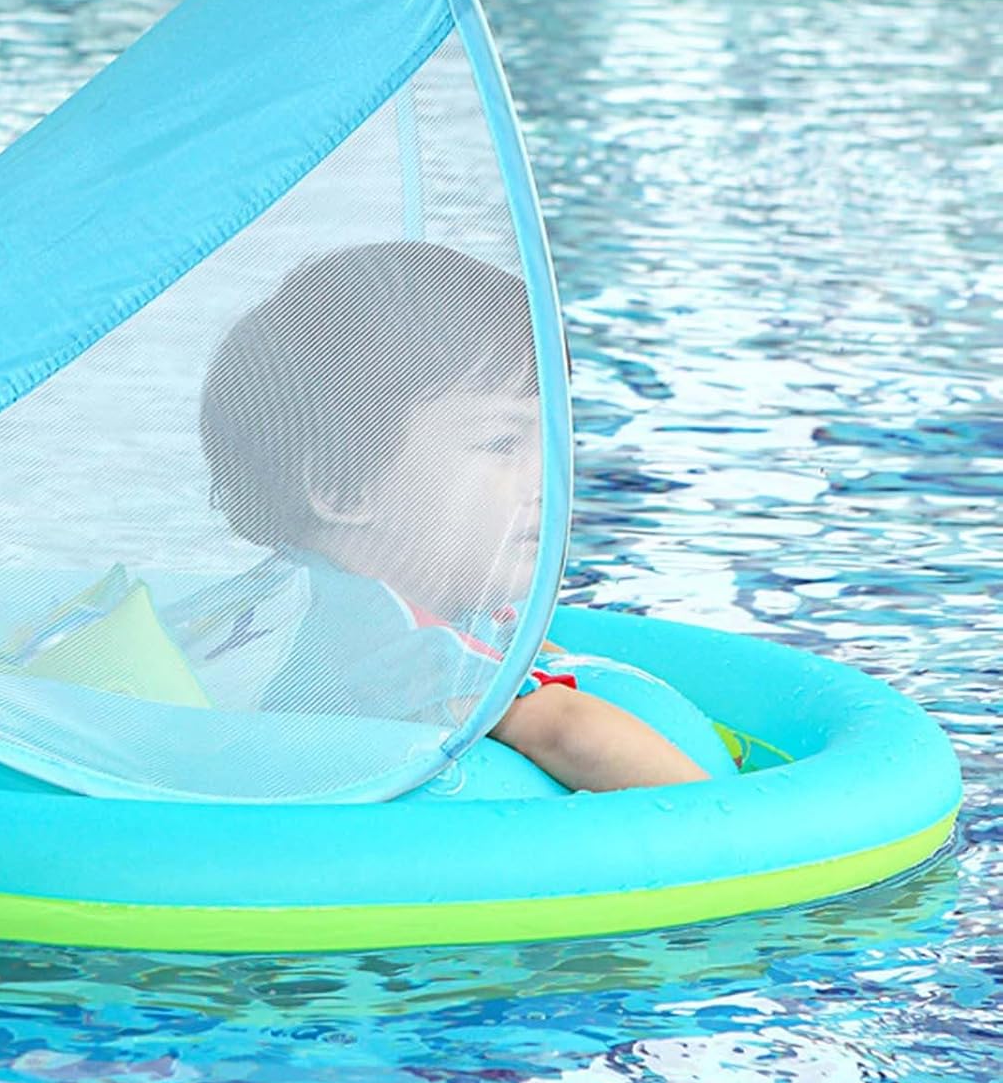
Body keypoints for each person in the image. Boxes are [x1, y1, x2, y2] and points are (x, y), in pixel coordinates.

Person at [180, 240, 708, 792]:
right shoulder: (383, 635)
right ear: (343, 488)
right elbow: (564, 732)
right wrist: (735, 821)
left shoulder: (287, 595)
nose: (549, 477)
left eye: (548, 440)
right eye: (502, 443)